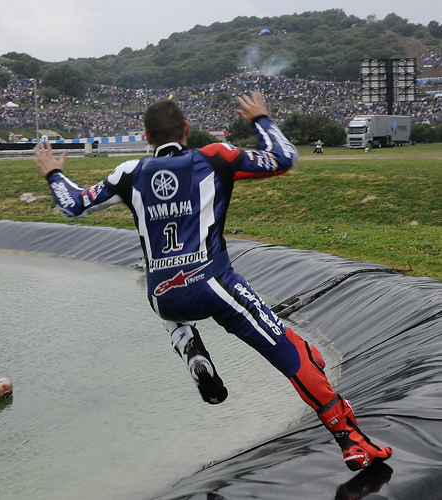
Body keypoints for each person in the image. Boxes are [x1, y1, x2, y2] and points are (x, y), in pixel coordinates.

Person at [32, 91, 392, 472]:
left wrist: (53, 172)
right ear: (187, 130)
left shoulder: (128, 172)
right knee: (292, 355)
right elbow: (285, 158)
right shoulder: (213, 157)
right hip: (214, 284)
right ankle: (351, 440)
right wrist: (262, 120)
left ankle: (189, 347)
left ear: (147, 136)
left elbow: (71, 204)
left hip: (163, 295)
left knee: (175, 299)